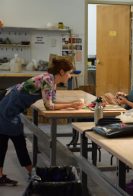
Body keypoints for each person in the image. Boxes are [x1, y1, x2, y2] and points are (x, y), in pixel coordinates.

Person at [0, 58, 84, 186]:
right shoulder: (48, 80)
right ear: (61, 72)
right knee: (18, 141)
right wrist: (71, 105)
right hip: (8, 109)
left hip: (9, 106)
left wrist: (72, 105)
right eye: (69, 73)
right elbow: (49, 106)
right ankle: (34, 174)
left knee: (3, 143)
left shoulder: (51, 80)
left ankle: (14, 175)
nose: (70, 76)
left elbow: (52, 102)